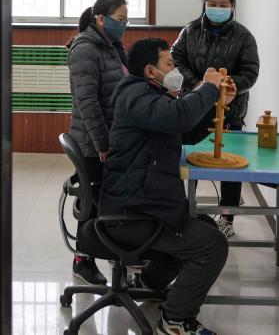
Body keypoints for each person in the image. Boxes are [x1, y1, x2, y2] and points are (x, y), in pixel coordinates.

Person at [100, 37, 233, 335]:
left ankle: (148, 284)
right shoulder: (137, 96)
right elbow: (180, 116)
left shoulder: (150, 94)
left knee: (203, 226)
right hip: (131, 214)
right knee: (212, 245)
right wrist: (208, 87)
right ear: (150, 70)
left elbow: (186, 129)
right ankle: (176, 320)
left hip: (141, 203)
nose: (175, 70)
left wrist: (217, 102)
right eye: (169, 63)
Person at [171, 0, 260, 238]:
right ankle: (187, 211)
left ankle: (227, 217)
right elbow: (175, 57)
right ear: (205, 5)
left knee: (231, 166)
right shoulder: (190, 31)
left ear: (232, 6)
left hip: (230, 109)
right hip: (193, 106)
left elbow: (251, 71)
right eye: (213, 4)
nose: (218, 9)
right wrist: (197, 83)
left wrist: (231, 84)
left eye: (223, 5)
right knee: (190, 159)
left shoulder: (243, 36)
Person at [66, 0, 129, 285]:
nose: (123, 25)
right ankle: (83, 260)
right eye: (120, 19)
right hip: (92, 142)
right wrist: (103, 144)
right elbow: (88, 103)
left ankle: (114, 249)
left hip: (108, 135)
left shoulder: (110, 45)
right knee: (92, 202)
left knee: (105, 198)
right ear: (101, 19)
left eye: (126, 20)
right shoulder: (85, 49)